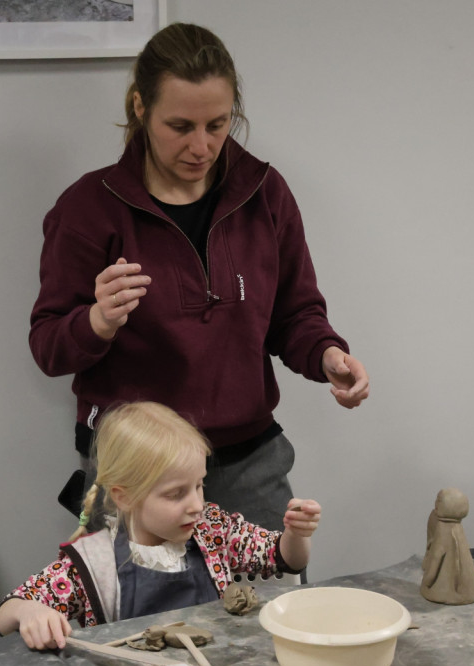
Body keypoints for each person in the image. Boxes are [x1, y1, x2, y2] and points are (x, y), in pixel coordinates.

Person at [29, 22, 368, 533]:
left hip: (248, 460)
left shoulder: (265, 193)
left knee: (273, 609)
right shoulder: (88, 209)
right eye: (181, 126)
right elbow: (48, 347)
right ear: (140, 108)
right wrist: (96, 321)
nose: (202, 146)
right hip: (137, 471)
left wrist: (327, 355)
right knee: (140, 614)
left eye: (217, 124)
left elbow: (295, 313)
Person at [0, 402, 321, 650]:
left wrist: (296, 534)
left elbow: (284, 559)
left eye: (199, 485)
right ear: (124, 497)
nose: (195, 504)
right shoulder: (94, 564)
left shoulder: (212, 531)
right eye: (176, 494)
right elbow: (7, 611)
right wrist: (28, 613)